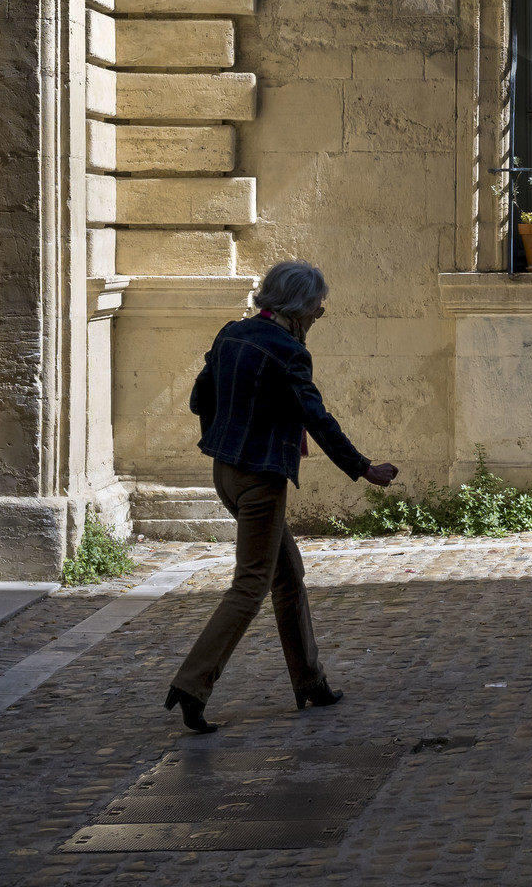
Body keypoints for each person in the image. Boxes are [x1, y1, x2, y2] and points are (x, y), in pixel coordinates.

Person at [164, 260, 399, 732]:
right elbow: (317, 418)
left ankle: (310, 680)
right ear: (299, 308)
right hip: (260, 480)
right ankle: (192, 685)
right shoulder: (290, 352)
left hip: (224, 472)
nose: (316, 318)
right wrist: (363, 467)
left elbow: (197, 401)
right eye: (316, 310)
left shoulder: (231, 334)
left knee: (288, 573)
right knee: (250, 586)